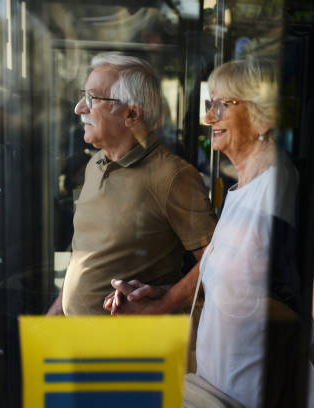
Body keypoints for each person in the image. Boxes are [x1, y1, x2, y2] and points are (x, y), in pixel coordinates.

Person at [105, 58, 314, 407]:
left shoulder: (278, 191)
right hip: (216, 388)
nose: (207, 117)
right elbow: (231, 276)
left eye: (221, 105)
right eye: (208, 103)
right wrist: (163, 297)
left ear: (263, 116)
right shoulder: (244, 186)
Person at [46, 53, 216, 315]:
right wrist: (58, 309)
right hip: (80, 343)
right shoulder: (95, 165)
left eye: (92, 98)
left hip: (131, 348)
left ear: (132, 113)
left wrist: (164, 303)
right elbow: (87, 255)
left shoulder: (172, 176)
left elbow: (216, 262)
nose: (79, 108)